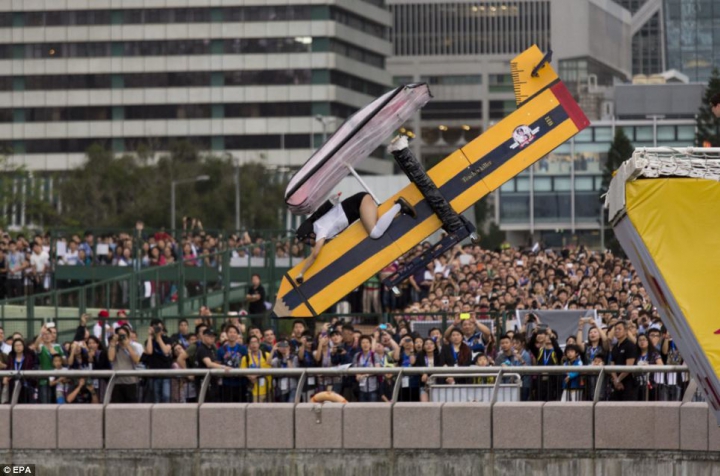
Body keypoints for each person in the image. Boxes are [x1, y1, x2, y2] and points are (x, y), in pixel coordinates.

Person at [294, 191, 417, 284]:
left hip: (360, 202)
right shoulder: (318, 227)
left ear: (309, 233)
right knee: (376, 230)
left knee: (375, 233)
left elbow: (315, 254)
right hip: (359, 206)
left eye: (307, 241)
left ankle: (399, 206)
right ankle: (402, 211)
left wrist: (301, 273)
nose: (309, 243)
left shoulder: (320, 229)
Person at [108, 326, 141, 403]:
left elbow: (136, 360)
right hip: (117, 381)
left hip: (130, 381)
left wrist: (127, 345)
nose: (122, 337)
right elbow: (110, 358)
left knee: (131, 406)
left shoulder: (133, 347)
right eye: (120, 335)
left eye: (124, 335)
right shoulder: (114, 347)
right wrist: (113, 343)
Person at [143, 318, 173, 403]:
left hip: (166, 373)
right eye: (155, 327)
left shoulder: (167, 339)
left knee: (166, 396)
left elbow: (166, 351)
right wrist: (150, 336)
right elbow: (149, 351)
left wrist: (159, 337)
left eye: (159, 327)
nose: (157, 329)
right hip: (154, 373)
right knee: (156, 398)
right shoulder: (149, 341)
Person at [216, 324, 247, 402]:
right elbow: (217, 364)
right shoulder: (220, 350)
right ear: (226, 334)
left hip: (241, 383)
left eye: (234, 332)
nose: (232, 334)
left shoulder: (243, 349)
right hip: (226, 383)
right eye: (230, 332)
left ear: (237, 335)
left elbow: (247, 363)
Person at [610, 321, 638, 401]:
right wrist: (616, 381)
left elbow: (629, 366)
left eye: (619, 329)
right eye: (615, 329)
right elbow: (612, 365)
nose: (617, 331)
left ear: (626, 331)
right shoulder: (615, 347)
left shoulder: (630, 345)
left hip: (629, 382)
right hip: (616, 383)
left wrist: (619, 379)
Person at [353, 335, 382, 402]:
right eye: (363, 342)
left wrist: (365, 375)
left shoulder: (374, 355)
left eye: (367, 342)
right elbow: (355, 368)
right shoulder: (357, 355)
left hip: (372, 387)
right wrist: (357, 375)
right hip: (361, 387)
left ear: (370, 344)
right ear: (360, 345)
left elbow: (377, 369)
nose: (365, 344)